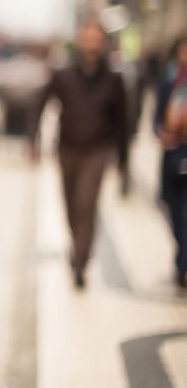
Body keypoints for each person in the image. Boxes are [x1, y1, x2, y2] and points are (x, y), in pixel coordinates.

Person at [29, 19, 129, 289]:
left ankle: (81, 263)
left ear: (103, 43)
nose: (92, 43)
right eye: (88, 37)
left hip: (98, 150)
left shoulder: (114, 78)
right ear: (80, 40)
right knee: (71, 206)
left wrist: (123, 159)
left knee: (86, 204)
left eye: (97, 38)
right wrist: (33, 140)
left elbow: (122, 121)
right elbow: (40, 103)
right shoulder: (63, 73)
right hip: (67, 149)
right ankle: (77, 246)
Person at [155, 34, 187, 290]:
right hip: (172, 156)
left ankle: (182, 266)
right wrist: (162, 132)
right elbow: (156, 119)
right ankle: (181, 257)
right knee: (175, 214)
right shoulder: (168, 84)